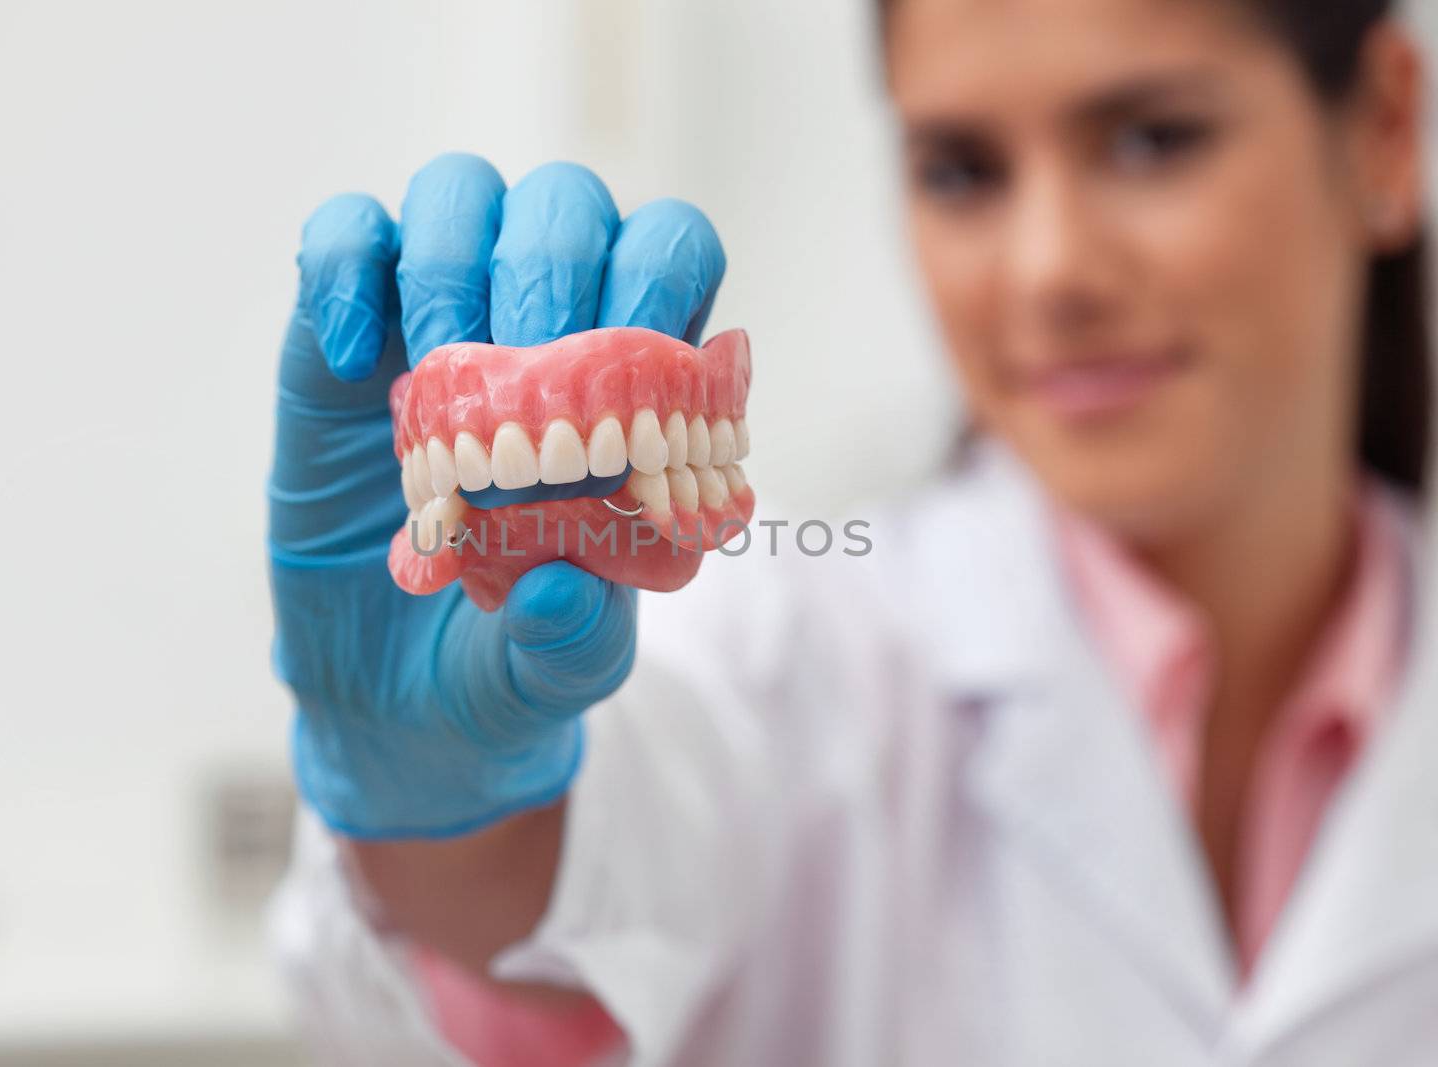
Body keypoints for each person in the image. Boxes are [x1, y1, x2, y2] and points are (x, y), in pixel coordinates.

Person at [263, 0, 1438, 1062]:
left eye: (1151, 141)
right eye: (962, 170)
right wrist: (444, 813)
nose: (1047, 271)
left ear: (1384, 130)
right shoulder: (799, 642)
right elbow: (596, 873)